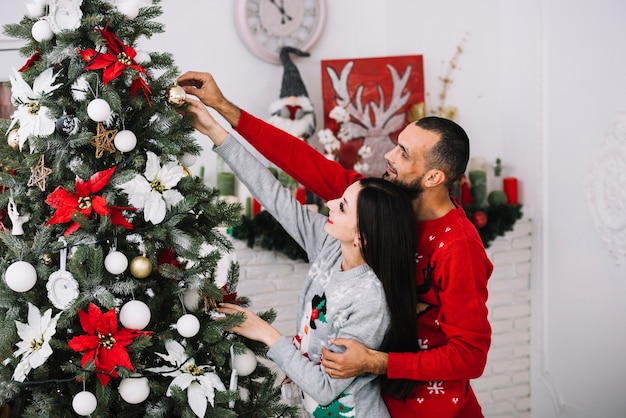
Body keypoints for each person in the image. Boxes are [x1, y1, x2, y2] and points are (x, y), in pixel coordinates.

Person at [177, 71, 494, 418]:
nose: (388, 156)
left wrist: (376, 361)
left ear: (433, 177)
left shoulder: (456, 245)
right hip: (371, 394)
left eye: (403, 153)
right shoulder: (372, 202)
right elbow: (297, 165)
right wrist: (219, 111)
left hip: (427, 407)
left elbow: (470, 354)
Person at [182, 97, 419, 417]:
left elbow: (324, 388)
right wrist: (216, 132)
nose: (331, 204)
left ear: (362, 238)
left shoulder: (370, 300)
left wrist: (266, 333)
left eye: (343, 206)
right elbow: (273, 193)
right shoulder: (329, 245)